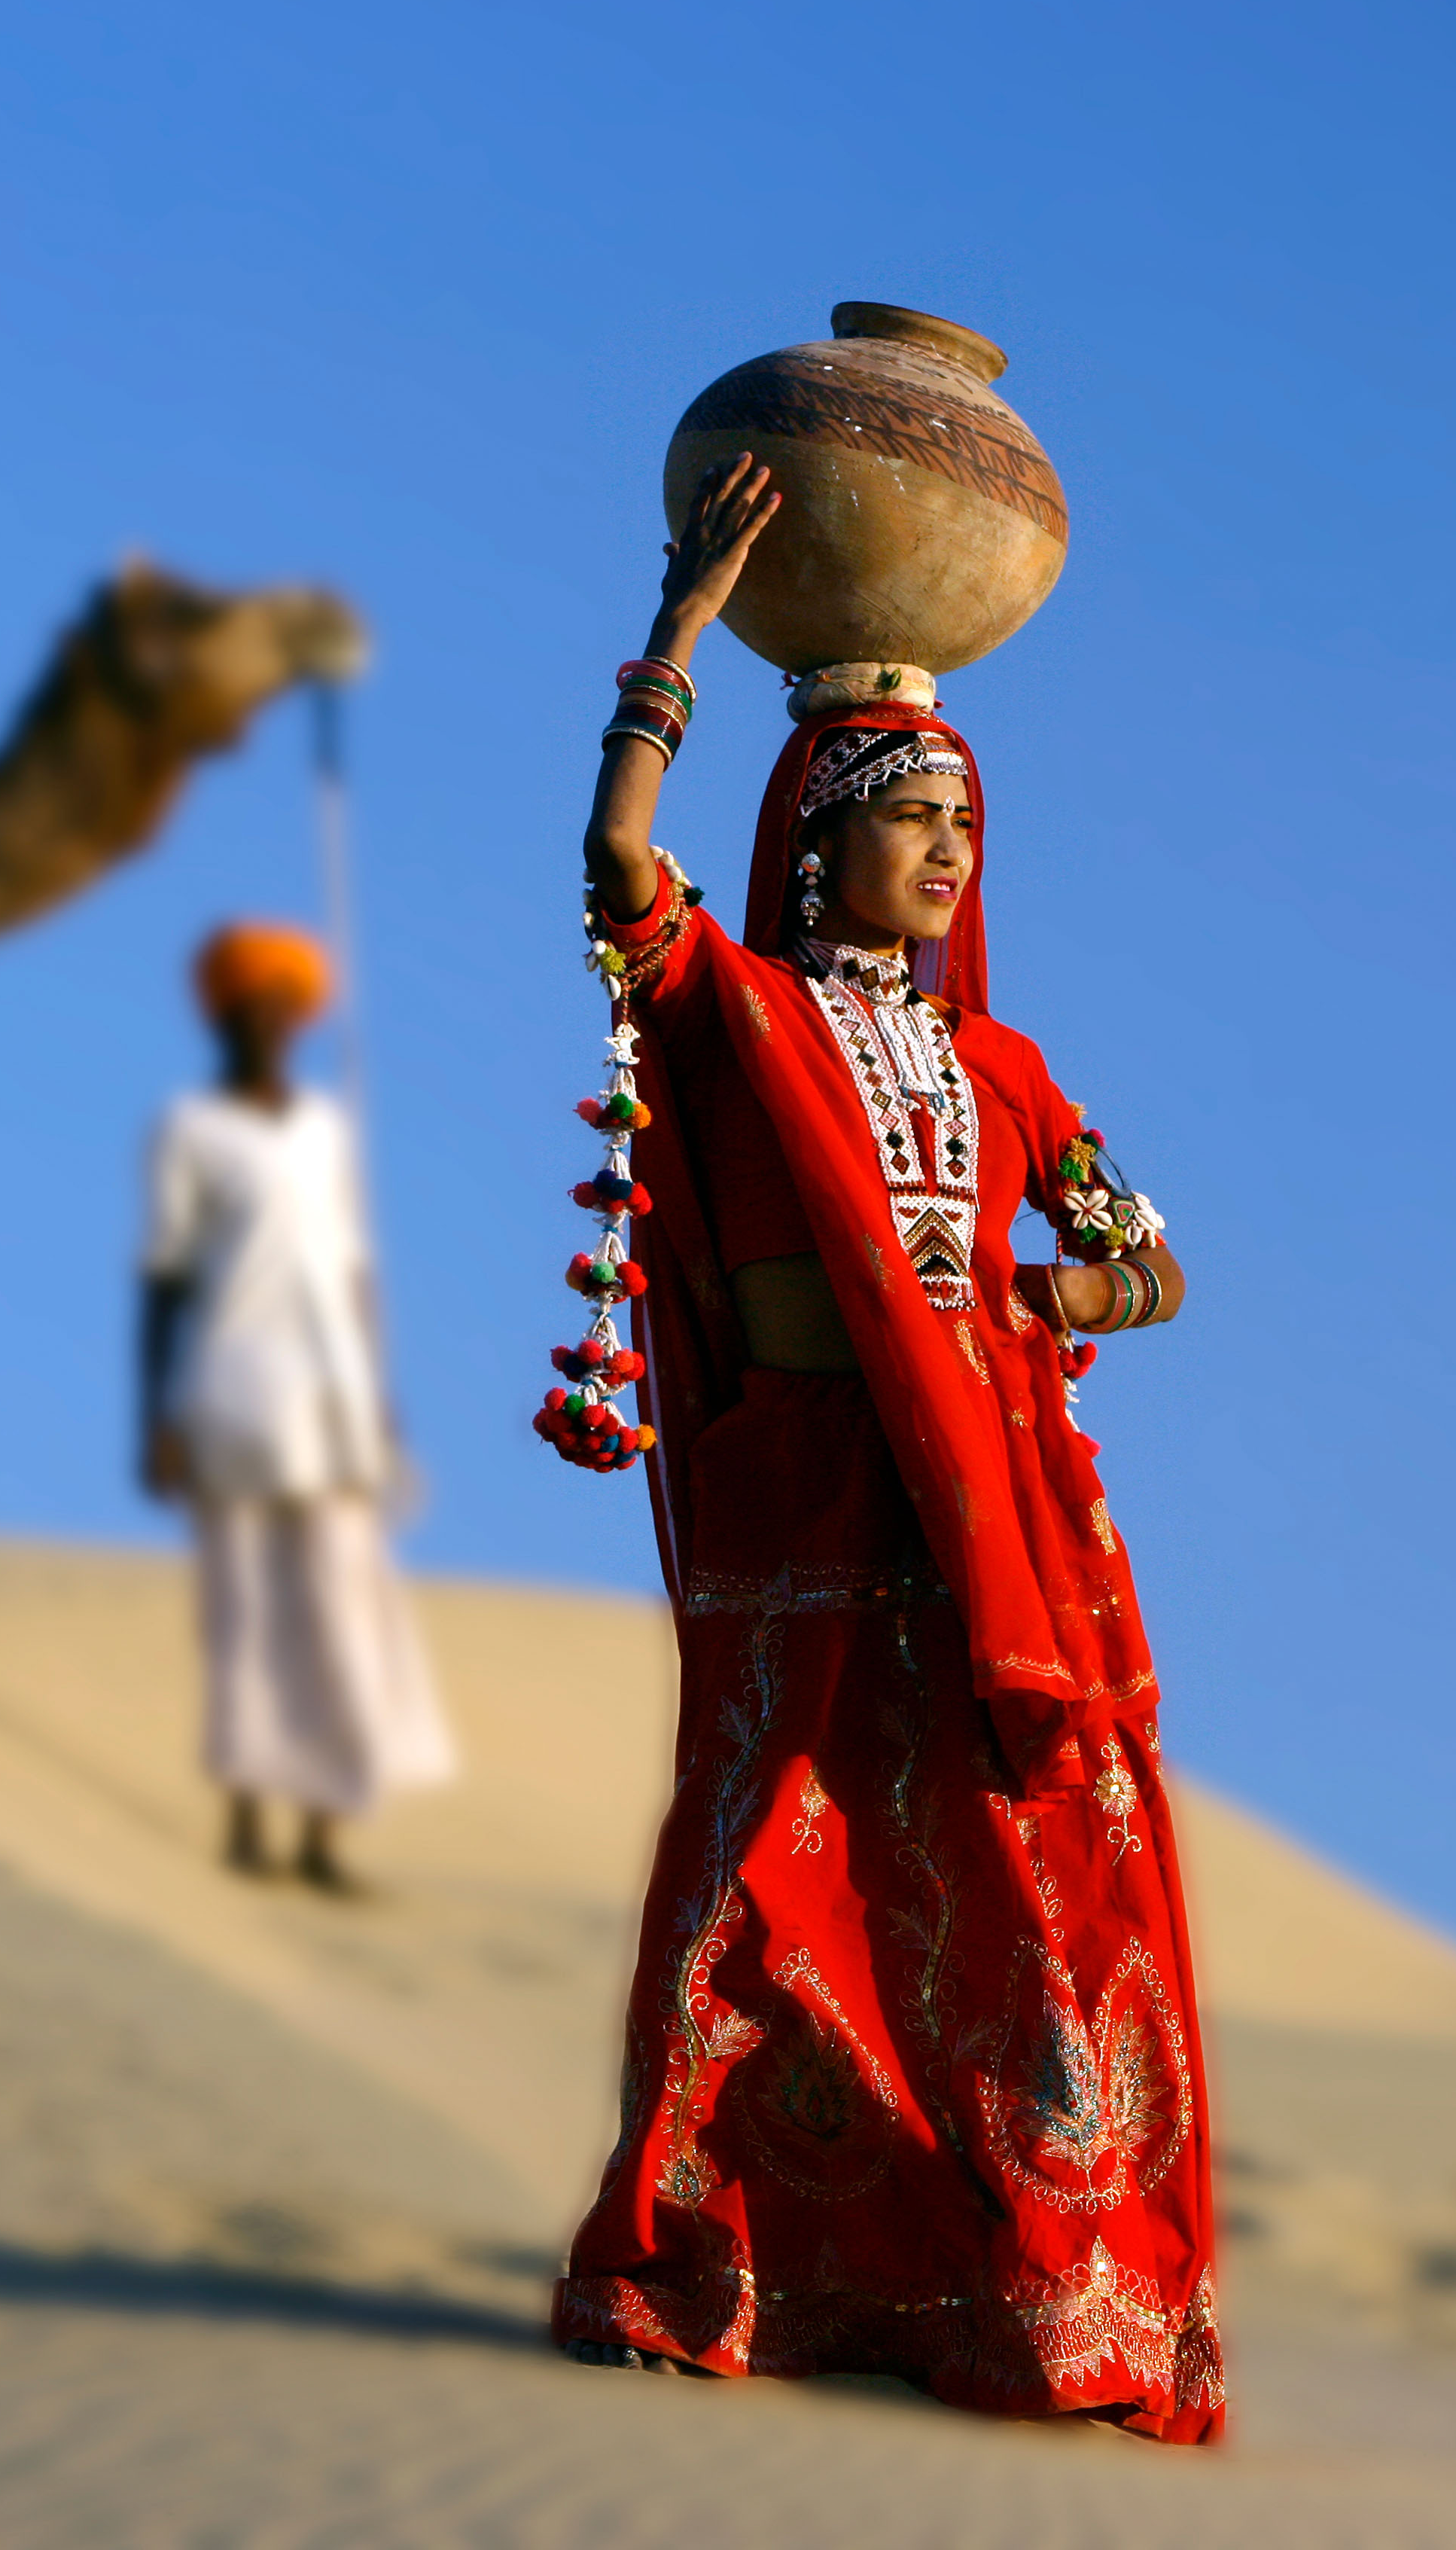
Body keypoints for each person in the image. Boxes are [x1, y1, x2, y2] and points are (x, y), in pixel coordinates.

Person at [541, 456, 1226, 2443]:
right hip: (807, 1495)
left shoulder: (1007, 1067)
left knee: (1017, 1885)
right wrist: (675, 638)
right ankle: (694, 2266)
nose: (945, 858)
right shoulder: (729, 1009)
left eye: (961, 829)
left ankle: (1045, 2301)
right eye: (913, 822)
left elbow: (1146, 1269)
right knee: (758, 1875)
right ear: (820, 845)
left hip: (992, 1512)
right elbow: (611, 871)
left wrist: (1029, 1310)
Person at [137, 921, 456, 1894]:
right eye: (255, 1007)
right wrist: (158, 1418)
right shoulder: (192, 1133)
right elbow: (166, 1280)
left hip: (336, 1400)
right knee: (242, 1610)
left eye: (287, 1007)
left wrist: (384, 1406)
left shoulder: (325, 1130)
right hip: (232, 1392)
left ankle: (325, 1828)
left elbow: (352, 1274)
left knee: (341, 1610)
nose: (272, 1024)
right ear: (227, 1016)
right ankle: (245, 1816)